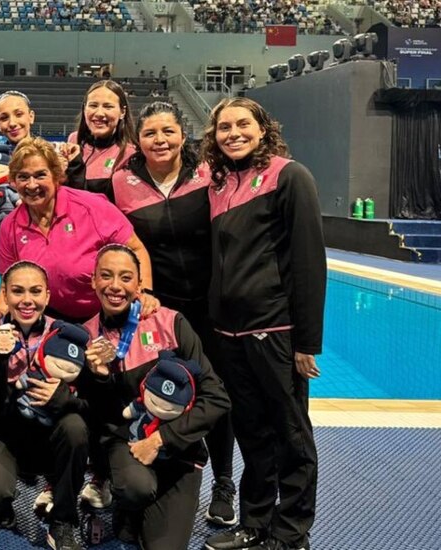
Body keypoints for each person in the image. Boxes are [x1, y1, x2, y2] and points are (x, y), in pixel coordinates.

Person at [201, 97, 325, 550]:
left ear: (262, 128)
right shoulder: (219, 186)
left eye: (242, 124)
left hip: (274, 331)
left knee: (290, 435)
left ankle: (291, 533)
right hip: (229, 336)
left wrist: (306, 340)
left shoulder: (289, 176)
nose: (233, 133)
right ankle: (254, 523)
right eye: (223, 127)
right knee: (252, 432)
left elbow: (310, 263)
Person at [108, 101, 238, 526]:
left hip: (211, 306)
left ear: (184, 134)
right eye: (150, 134)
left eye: (168, 132)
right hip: (158, 309)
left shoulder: (209, 175)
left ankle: (223, 482)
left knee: (213, 393)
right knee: (151, 393)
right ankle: (143, 473)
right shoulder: (122, 181)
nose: (159, 141)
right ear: (137, 139)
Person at [80, 245, 229, 549]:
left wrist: (161, 440)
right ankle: (128, 500)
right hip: (128, 446)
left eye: (125, 277)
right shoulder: (86, 337)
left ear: (139, 283)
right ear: (93, 281)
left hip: (179, 452)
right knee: (136, 489)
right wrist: (99, 377)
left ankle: (140, 511)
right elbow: (99, 419)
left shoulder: (170, 323)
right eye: (105, 276)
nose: (115, 286)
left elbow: (217, 398)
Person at [0, 261, 90, 550]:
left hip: (48, 439)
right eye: (17, 291)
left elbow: (91, 404)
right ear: (5, 295)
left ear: (47, 296)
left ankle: (63, 521)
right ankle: (2, 512)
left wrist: (65, 398)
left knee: (75, 427)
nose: (27, 300)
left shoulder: (66, 336)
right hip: (0, 437)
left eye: (35, 291)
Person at [0, 137, 156, 325]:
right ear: (13, 181)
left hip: (104, 314)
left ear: (57, 176)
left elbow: (136, 248)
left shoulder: (92, 207)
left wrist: (145, 293)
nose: (32, 185)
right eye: (23, 177)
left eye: (40, 175)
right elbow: (8, 280)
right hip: (48, 317)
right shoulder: (9, 226)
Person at [65, 80, 137, 200]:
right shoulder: (73, 140)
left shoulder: (130, 154)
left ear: (122, 112)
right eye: (93, 105)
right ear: (84, 109)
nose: (99, 113)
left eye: (108, 106)